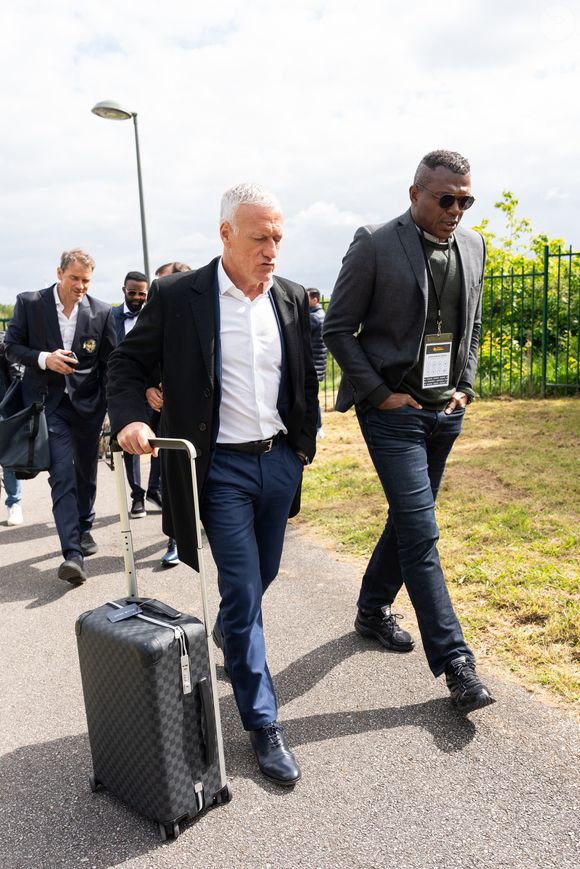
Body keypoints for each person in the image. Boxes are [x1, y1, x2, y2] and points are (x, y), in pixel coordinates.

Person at [108, 183, 318, 785]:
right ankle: (262, 723)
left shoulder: (290, 297)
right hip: (218, 467)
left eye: (278, 236)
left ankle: (229, 628)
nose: (272, 249)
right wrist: (129, 418)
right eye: (260, 237)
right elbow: (127, 364)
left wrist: (304, 445)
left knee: (263, 573)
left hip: (278, 461)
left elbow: (305, 373)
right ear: (225, 234)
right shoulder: (180, 296)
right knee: (245, 589)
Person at [323, 149, 495, 715]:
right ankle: (456, 664)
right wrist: (380, 394)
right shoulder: (374, 243)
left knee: (407, 518)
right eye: (445, 198)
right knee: (421, 531)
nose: (456, 210)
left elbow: (470, 324)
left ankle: (372, 610)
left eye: (465, 200)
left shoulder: (473, 246)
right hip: (393, 413)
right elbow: (339, 329)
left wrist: (464, 385)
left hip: (446, 410)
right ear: (415, 192)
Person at [5, 249, 116, 584]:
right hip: (48, 406)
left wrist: (112, 409)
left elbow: (111, 363)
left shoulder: (102, 312)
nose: (81, 286)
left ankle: (84, 525)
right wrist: (43, 359)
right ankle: (73, 554)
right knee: (62, 474)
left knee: (86, 473)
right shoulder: (30, 303)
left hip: (89, 407)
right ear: (59, 273)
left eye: (86, 281)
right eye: (75, 279)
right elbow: (11, 346)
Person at [151, 261, 193, 567]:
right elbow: (136, 359)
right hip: (169, 414)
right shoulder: (155, 314)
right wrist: (147, 388)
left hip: (210, 415)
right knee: (173, 480)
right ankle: (176, 539)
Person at [112, 271, 162, 518]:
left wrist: (153, 386)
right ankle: (137, 496)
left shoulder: (155, 316)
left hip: (154, 392)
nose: (137, 298)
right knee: (133, 445)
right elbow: (116, 361)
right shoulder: (110, 318)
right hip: (127, 394)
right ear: (124, 290)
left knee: (157, 443)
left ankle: (155, 489)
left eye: (142, 293)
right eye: (132, 293)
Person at [0, 332, 24, 525]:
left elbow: (17, 376)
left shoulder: (3, 343)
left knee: (8, 461)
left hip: (3, 410)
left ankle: (14, 503)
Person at [307, 288, 327, 438]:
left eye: (306, 298)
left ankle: (317, 427)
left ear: (315, 300)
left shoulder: (313, 318)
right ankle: (318, 427)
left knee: (312, 397)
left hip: (313, 363)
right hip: (319, 363)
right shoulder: (322, 315)